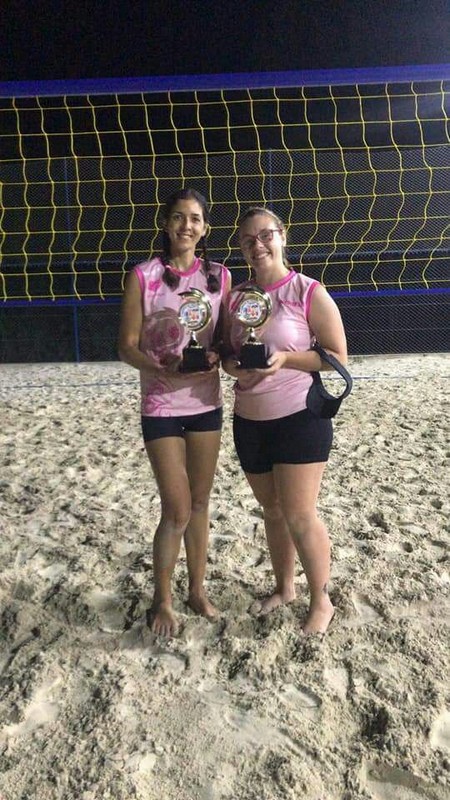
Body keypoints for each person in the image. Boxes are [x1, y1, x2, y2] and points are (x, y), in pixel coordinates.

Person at [222, 207, 348, 635]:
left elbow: (336, 356)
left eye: (265, 235)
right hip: (249, 421)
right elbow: (229, 353)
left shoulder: (307, 290)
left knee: (299, 514)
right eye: (247, 240)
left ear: (282, 237)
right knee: (272, 511)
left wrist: (286, 360)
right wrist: (232, 366)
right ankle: (284, 588)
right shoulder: (237, 298)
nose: (257, 245)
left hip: (299, 417)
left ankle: (321, 600)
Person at [118, 188, 231, 637]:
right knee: (177, 508)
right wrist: (160, 366)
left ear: (205, 228)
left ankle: (197, 591)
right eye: (179, 217)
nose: (187, 225)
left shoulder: (219, 277)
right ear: (165, 224)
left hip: (206, 403)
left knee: (200, 504)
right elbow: (127, 347)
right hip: (161, 404)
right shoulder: (143, 276)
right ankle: (161, 599)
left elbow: (224, 338)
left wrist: (219, 354)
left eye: (195, 218)